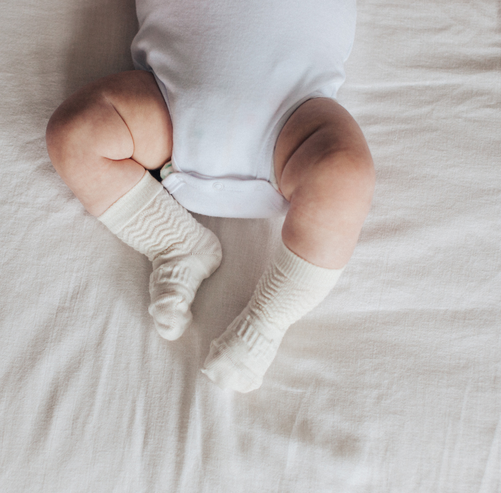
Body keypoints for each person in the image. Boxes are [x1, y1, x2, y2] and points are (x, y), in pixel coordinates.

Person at [45, 0, 375, 393]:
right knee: (76, 134)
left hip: (295, 122)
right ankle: (174, 242)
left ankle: (268, 320)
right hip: (167, 110)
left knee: (344, 173)